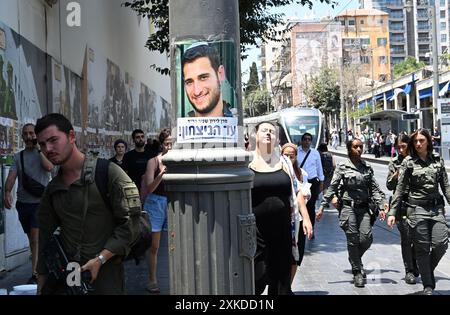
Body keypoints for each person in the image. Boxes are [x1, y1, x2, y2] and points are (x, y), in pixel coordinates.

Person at [34, 113, 141, 295]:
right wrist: (41, 286)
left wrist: (100, 259)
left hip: (107, 275)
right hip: (72, 275)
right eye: (42, 144)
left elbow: (131, 225)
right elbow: (44, 239)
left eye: (53, 140)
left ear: (71, 136)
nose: (48, 149)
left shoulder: (107, 173)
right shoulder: (53, 189)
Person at [249, 122, 313, 295]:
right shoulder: (247, 163)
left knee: (281, 281)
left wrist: (306, 218)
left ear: (277, 137)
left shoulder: (284, 162)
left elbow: (297, 190)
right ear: (256, 135)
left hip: (283, 230)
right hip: (256, 233)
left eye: (272, 131)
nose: (268, 133)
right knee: (258, 277)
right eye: (264, 130)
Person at [387, 128, 449, 295]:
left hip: (436, 209)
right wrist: (392, 212)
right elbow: (399, 190)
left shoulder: (438, 161)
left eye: (422, 140)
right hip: (417, 209)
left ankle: (424, 268)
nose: (419, 143)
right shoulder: (409, 162)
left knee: (441, 244)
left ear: (428, 141)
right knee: (421, 248)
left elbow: (446, 188)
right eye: (415, 141)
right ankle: (428, 285)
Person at [320, 138, 387, 288]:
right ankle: (357, 271)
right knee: (352, 238)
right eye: (356, 147)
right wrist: (322, 206)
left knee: (366, 238)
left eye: (361, 147)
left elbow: (375, 189)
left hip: (363, 208)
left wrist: (381, 206)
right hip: (347, 207)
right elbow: (332, 187)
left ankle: (354, 258)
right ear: (350, 149)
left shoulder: (367, 167)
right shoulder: (343, 166)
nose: (359, 149)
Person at [3, 123, 54, 284]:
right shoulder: (19, 157)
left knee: (35, 237)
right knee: (32, 239)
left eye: (31, 133)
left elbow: (49, 167)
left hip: (41, 203)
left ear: (36, 135)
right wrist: (7, 192)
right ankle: (41, 267)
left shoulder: (44, 152)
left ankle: (35, 273)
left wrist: (40, 148)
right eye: (25, 134)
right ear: (22, 136)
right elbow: (12, 176)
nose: (28, 136)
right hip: (24, 204)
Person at [140, 128, 172, 294]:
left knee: (175, 244)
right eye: (167, 144)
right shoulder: (153, 161)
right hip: (156, 203)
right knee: (154, 246)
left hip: (173, 202)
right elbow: (150, 188)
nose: (170, 147)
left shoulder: (178, 160)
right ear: (162, 144)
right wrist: (161, 174)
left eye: (173, 143)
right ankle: (152, 279)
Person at [386, 134, 419, 285]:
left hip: (417, 204)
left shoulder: (418, 160)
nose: (400, 150)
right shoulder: (394, 162)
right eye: (398, 147)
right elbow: (389, 186)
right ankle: (409, 270)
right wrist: (397, 174)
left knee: (419, 238)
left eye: (403, 146)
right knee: (406, 238)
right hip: (401, 204)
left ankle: (415, 261)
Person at [281, 143, 312, 286]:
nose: (288, 158)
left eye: (291, 156)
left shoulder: (301, 173)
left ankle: (288, 287)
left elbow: (304, 193)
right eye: (285, 155)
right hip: (283, 219)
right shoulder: (278, 172)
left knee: (296, 255)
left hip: (298, 219)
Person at [181, 42, 233, 117]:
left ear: (220, 74)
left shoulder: (240, 126)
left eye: (203, 78)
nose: (197, 91)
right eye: (189, 82)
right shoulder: (178, 128)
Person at [297, 133, 324, 236]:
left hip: (312, 183)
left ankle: (311, 230)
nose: (307, 141)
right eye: (305, 139)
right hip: (300, 182)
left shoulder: (315, 153)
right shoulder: (297, 151)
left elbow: (319, 168)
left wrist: (321, 182)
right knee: (300, 206)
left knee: (311, 206)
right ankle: (301, 228)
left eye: (309, 139)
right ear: (302, 140)